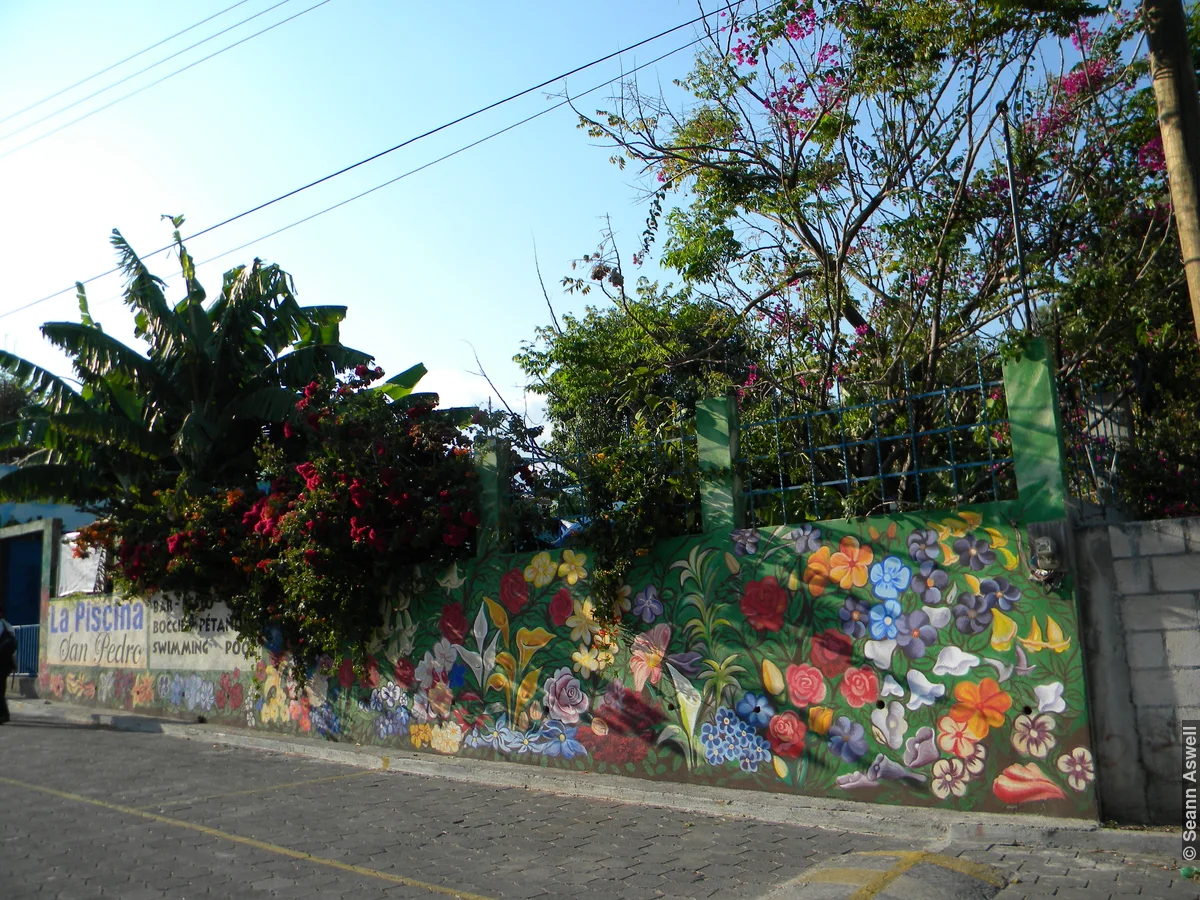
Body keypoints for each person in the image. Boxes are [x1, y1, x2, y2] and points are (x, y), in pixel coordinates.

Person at [0, 616, 16, 724]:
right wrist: (14, 663)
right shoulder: (8, 625)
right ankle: (5, 714)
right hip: (7, 663)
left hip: (1, 662)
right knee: (1, 690)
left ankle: (2, 715)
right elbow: (13, 647)